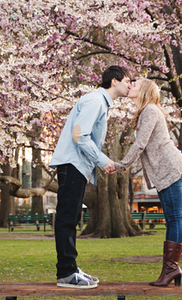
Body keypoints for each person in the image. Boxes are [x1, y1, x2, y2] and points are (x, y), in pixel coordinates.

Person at [49, 65, 131, 289]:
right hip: (73, 165)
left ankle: (71, 268)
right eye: (127, 81)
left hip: (77, 166)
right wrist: (103, 160)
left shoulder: (99, 102)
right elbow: (79, 134)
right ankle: (66, 273)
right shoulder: (95, 101)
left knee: (72, 217)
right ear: (114, 81)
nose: (130, 85)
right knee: (67, 218)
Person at [107, 78, 182, 287]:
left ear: (143, 90)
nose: (130, 86)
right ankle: (171, 269)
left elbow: (141, 144)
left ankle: (171, 269)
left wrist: (121, 165)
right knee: (173, 219)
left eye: (134, 84)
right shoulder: (147, 111)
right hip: (165, 171)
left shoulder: (151, 110)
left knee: (174, 219)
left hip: (170, 169)